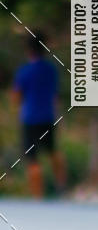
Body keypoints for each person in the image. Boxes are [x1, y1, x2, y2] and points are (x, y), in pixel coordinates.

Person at [12, 33, 65, 198]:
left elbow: (16, 97)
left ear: (29, 51)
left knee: (32, 159)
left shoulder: (24, 72)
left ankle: (38, 197)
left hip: (29, 119)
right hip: (48, 117)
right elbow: (56, 96)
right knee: (53, 152)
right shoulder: (51, 70)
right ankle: (61, 187)